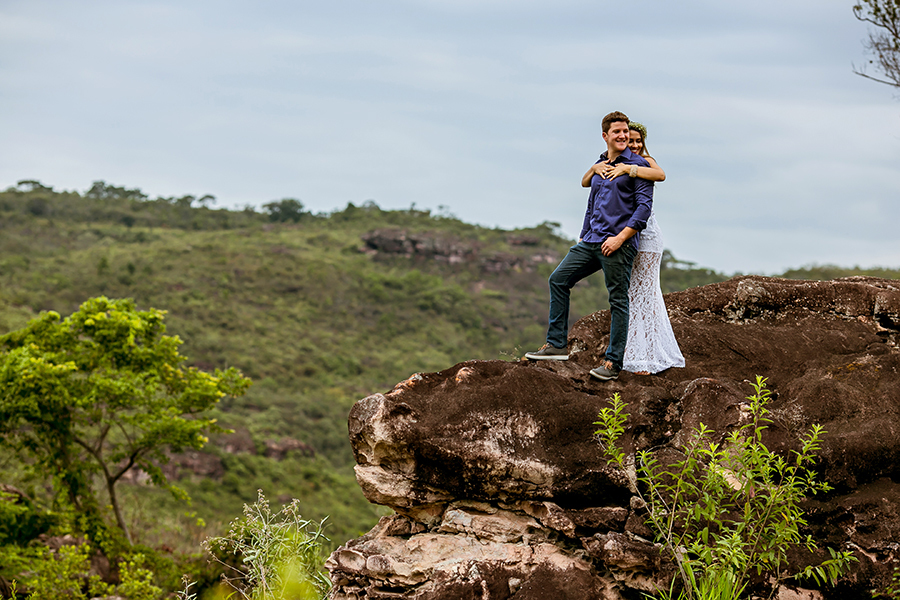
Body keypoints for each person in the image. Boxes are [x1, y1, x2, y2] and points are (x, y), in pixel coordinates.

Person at [525, 111, 653, 381]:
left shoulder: (638, 165)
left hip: (618, 244)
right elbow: (591, 200)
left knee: (618, 300)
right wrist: (584, 234)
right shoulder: (600, 163)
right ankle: (556, 344)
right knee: (558, 280)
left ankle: (612, 362)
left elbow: (643, 210)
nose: (622, 135)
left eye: (625, 131)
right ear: (605, 135)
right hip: (591, 240)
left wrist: (621, 238)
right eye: (617, 132)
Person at [594, 122, 685, 374]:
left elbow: (661, 175)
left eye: (638, 141)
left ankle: (646, 357)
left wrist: (629, 168)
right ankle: (630, 351)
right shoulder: (615, 162)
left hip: (646, 237)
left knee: (644, 293)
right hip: (625, 236)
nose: (633, 145)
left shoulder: (644, 162)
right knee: (630, 292)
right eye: (630, 140)